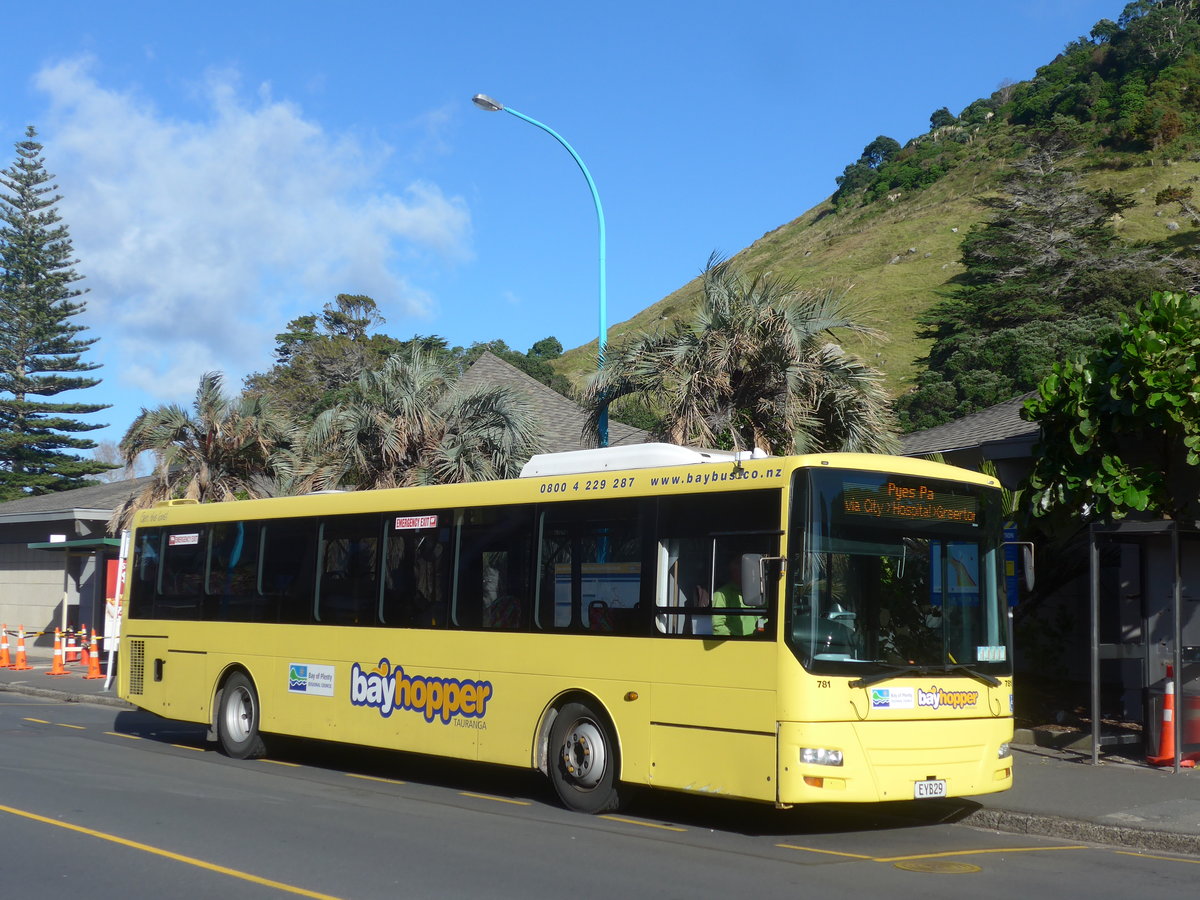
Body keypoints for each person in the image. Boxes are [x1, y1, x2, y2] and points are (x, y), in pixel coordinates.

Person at [711, 556, 754, 637]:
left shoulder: (759, 592)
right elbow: (716, 626)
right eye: (738, 564)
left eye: (744, 565)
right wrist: (735, 641)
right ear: (730, 569)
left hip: (760, 642)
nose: (741, 568)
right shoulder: (721, 594)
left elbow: (766, 619)